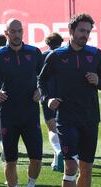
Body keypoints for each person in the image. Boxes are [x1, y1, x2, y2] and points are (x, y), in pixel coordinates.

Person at [38, 13, 101, 187]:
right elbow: (42, 80)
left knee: (86, 170)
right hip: (67, 118)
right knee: (70, 167)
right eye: (81, 30)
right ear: (71, 31)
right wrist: (47, 98)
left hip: (90, 118)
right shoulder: (56, 56)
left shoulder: (95, 54)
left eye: (88, 31)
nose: (85, 35)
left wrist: (98, 81)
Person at [0, 19, 43, 187]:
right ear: (6, 33)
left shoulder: (34, 53)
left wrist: (41, 90)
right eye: (13, 31)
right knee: (11, 160)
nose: (17, 34)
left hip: (30, 114)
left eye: (19, 31)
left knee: (37, 159)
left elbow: (46, 78)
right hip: (8, 115)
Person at [42, 32, 64, 172]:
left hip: (47, 96)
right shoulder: (64, 54)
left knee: (51, 128)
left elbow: (37, 76)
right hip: (64, 95)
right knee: (63, 127)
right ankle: (57, 161)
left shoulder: (42, 55)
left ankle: (58, 150)